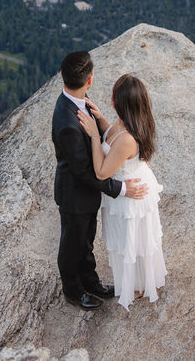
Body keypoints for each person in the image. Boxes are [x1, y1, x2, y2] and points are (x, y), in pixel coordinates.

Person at [52, 51, 148, 311]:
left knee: (86, 240)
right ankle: (73, 290)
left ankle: (91, 282)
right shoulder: (67, 122)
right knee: (72, 245)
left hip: (87, 195)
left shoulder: (80, 101)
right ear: (90, 80)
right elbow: (85, 172)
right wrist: (122, 188)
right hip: (75, 194)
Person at [77, 73, 167, 310]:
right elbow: (113, 139)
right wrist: (101, 120)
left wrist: (94, 136)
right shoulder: (125, 121)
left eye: (114, 94)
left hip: (131, 195)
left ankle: (138, 286)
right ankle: (136, 282)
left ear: (121, 101)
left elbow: (102, 171)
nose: (110, 96)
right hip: (127, 188)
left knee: (132, 242)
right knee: (130, 240)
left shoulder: (128, 139)